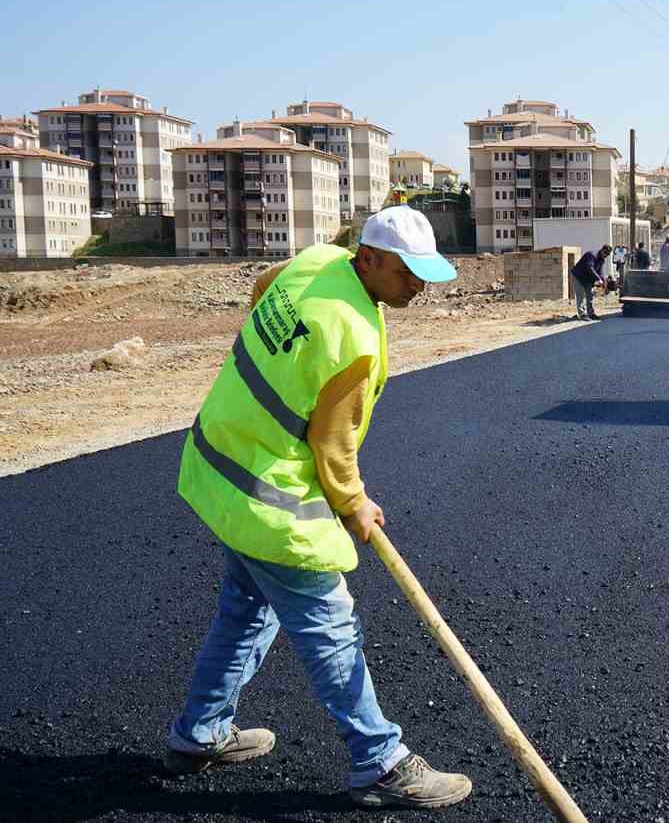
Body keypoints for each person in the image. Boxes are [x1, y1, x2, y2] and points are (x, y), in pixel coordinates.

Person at [165, 206, 472, 810]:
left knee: (246, 612)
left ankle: (197, 735)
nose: (420, 287)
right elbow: (334, 446)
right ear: (372, 259)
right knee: (331, 629)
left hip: (218, 460)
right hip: (268, 500)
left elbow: (262, 289)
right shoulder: (352, 340)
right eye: (409, 273)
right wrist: (355, 505)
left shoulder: (314, 262)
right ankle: (380, 761)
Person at [570, 244, 612, 320]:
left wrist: (603, 281)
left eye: (608, 255)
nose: (606, 256)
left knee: (590, 295)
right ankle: (582, 314)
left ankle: (591, 313)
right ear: (602, 250)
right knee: (581, 296)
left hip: (588, 279)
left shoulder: (602, 260)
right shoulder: (591, 255)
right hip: (578, 277)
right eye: (605, 253)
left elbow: (600, 272)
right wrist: (598, 279)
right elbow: (590, 268)